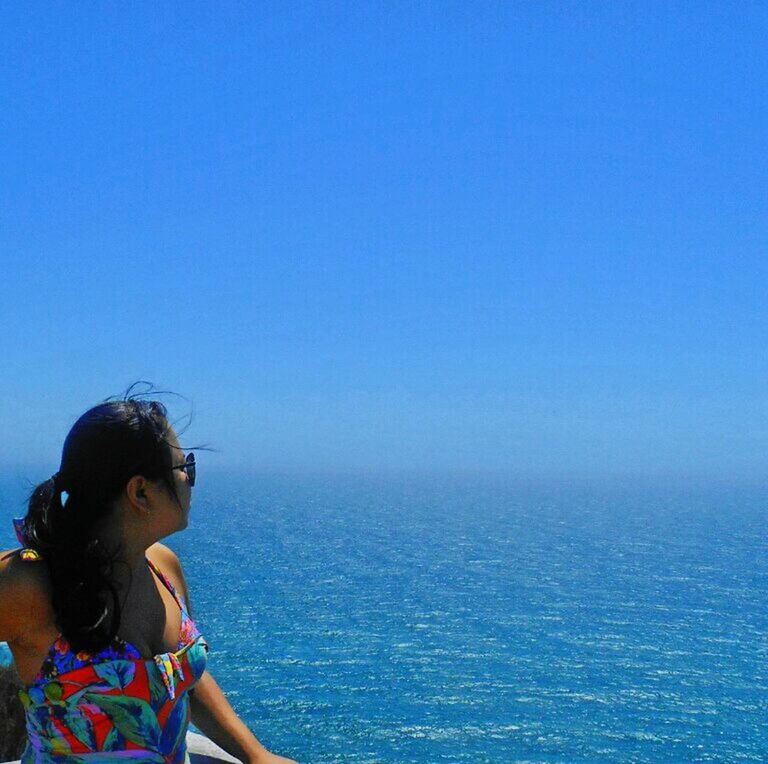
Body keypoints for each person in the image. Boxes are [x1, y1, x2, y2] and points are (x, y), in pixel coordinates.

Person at [0, 393, 297, 763]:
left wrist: (255, 755)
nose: (191, 480)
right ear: (140, 492)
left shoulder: (163, 565)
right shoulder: (32, 582)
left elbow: (180, 678)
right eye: (185, 467)